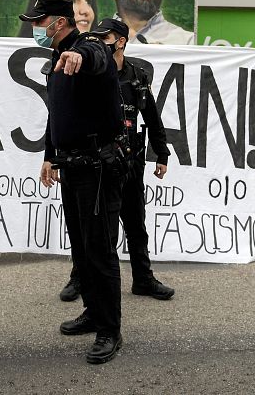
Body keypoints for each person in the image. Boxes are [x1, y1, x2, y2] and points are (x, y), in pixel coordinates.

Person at [22, 0, 125, 364]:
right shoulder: (56, 56)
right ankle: (94, 312)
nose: (35, 27)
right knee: (81, 250)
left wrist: (82, 56)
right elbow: (58, 114)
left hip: (98, 167)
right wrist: (50, 154)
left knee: (99, 251)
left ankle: (110, 330)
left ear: (60, 22)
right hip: (71, 165)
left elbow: (97, 57)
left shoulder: (88, 47)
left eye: (40, 21)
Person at [58, 18, 175, 302]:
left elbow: (152, 116)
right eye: (96, 36)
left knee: (136, 224)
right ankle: (81, 278)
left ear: (121, 41)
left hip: (131, 162)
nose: (100, 42)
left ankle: (143, 279)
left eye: (106, 37)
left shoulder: (137, 75)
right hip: (101, 165)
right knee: (97, 231)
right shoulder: (92, 73)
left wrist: (162, 153)